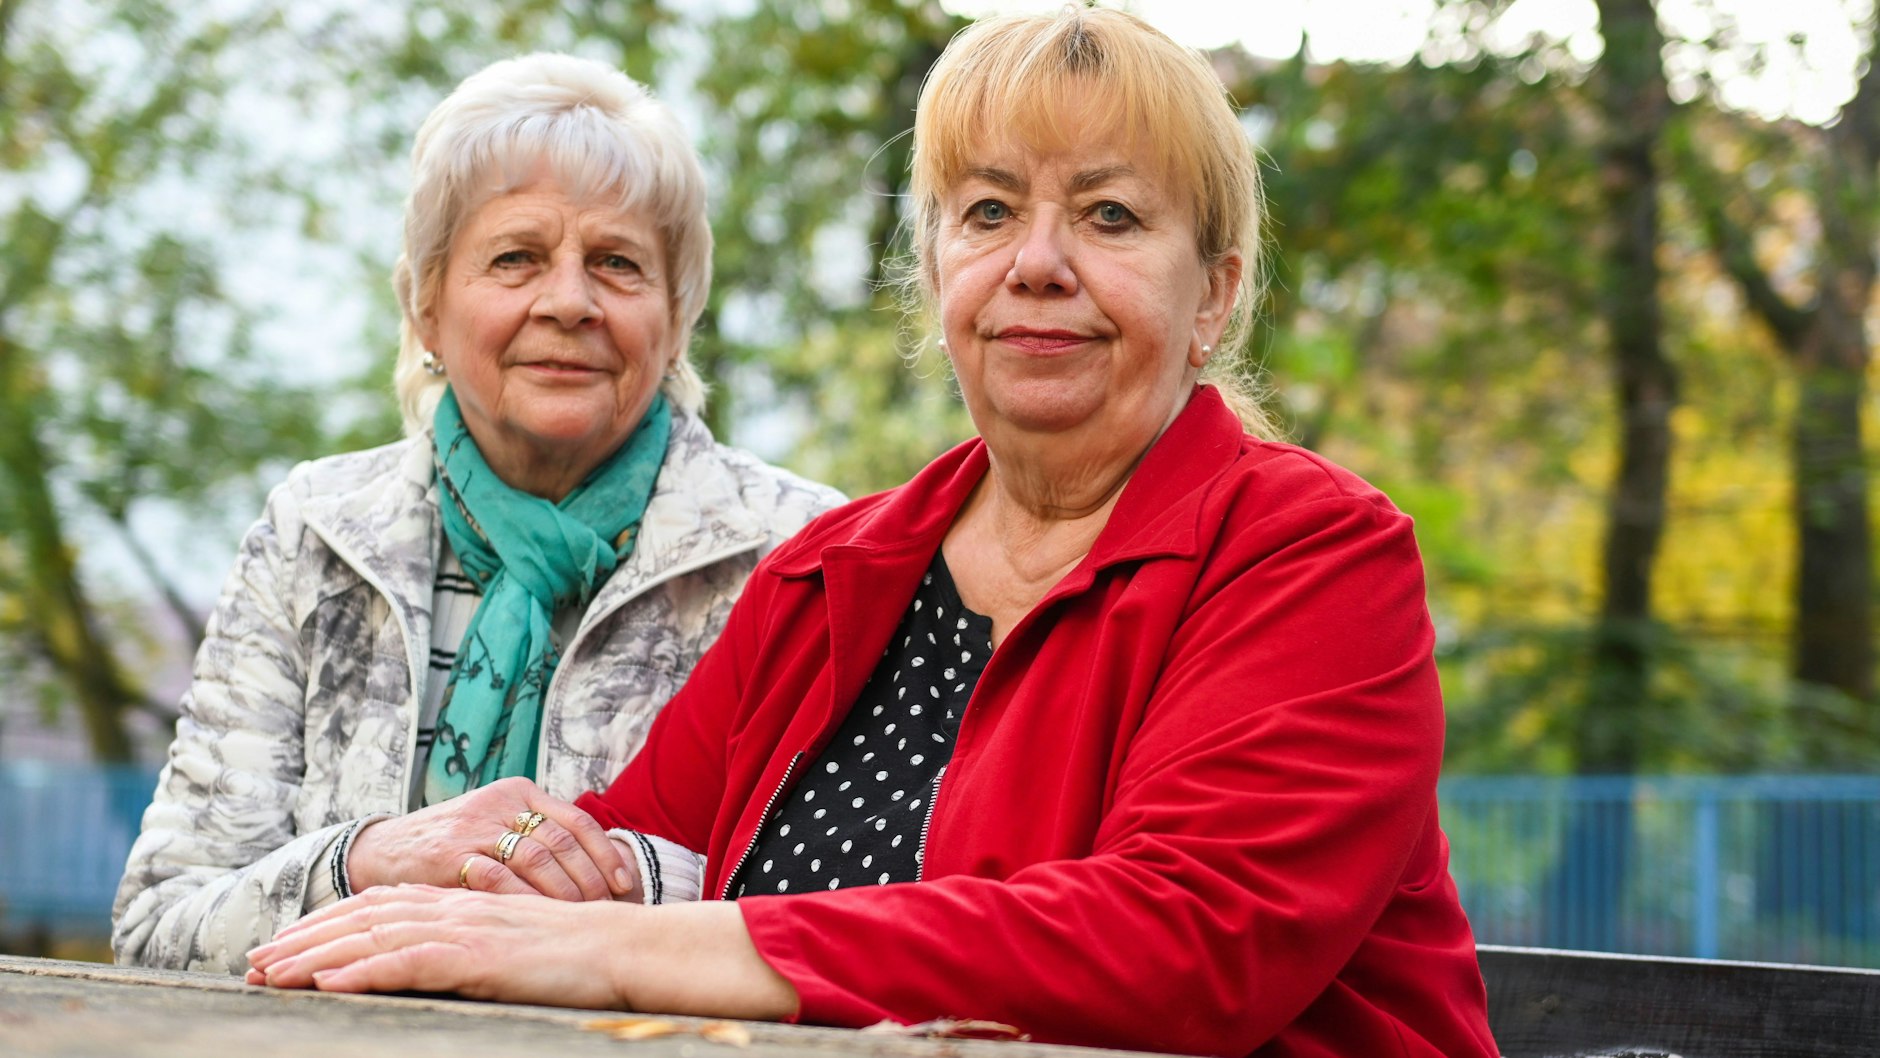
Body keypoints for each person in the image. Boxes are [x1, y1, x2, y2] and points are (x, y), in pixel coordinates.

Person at [245, 11, 1499, 1056]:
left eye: (1110, 216)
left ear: (1213, 288)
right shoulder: (835, 571)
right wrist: (465, 873)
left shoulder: (1308, 554)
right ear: (936, 267)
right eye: (988, 211)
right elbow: (621, 854)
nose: (1038, 263)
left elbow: (1188, 940)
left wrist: (631, 944)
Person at [113, 52, 842, 974]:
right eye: (516, 258)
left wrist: (614, 883)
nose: (568, 301)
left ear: (676, 315)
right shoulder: (317, 533)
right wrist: (369, 859)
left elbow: (846, 914)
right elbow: (159, 925)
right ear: (428, 306)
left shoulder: (806, 557)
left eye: (617, 264)